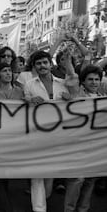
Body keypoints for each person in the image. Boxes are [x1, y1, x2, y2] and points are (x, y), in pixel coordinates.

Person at [24, 50, 78, 212]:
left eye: (45, 62)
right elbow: (23, 101)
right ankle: (39, 209)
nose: (42, 66)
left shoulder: (62, 83)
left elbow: (75, 88)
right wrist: (29, 99)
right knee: (37, 174)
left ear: (50, 64)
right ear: (34, 67)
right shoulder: (29, 85)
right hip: (37, 133)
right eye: (38, 63)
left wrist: (71, 97)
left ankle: (45, 199)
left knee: (50, 174)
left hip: (60, 134)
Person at [0, 62, 24, 212]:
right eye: (4, 71)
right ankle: (4, 206)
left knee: (5, 173)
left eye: (10, 71)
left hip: (14, 137)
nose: (8, 73)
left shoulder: (20, 91)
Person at [63, 65, 101, 212]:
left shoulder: (102, 99)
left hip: (96, 147)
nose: (94, 82)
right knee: (77, 180)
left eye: (97, 79)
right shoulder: (77, 97)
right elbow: (71, 76)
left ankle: (83, 209)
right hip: (78, 146)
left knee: (90, 180)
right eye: (90, 79)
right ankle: (69, 209)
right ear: (83, 82)